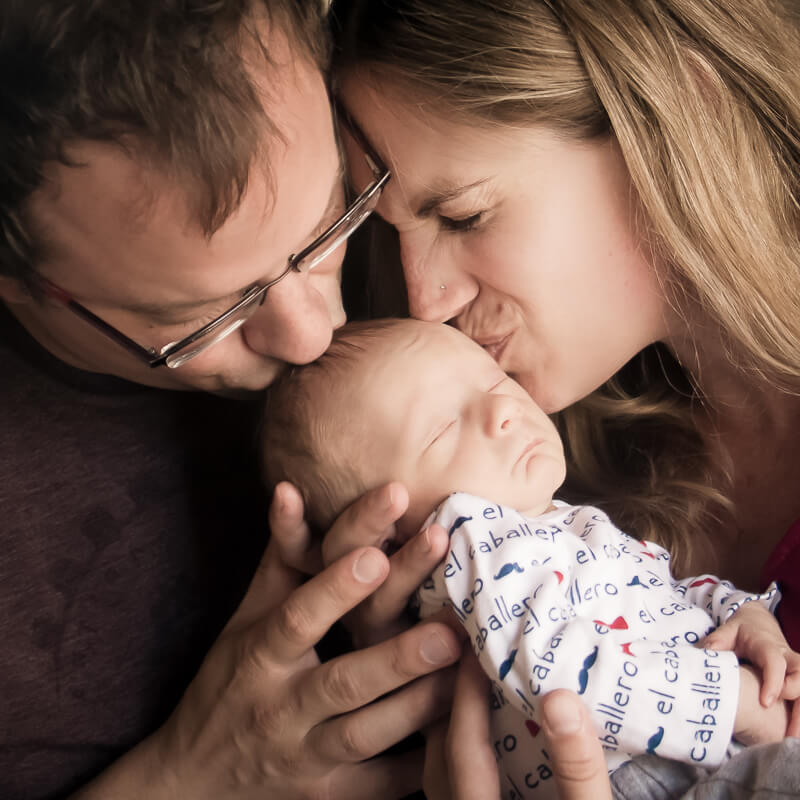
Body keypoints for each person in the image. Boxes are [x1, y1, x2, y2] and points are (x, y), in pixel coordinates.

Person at [315, 0, 800, 795]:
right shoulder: (532, 486)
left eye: (464, 214)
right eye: (392, 236)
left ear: (675, 111)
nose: (424, 299)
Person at [0, 3, 468, 798]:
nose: (314, 334)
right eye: (202, 319)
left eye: (329, 221)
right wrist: (184, 779)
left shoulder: (413, 174)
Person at [262, 316, 800, 798]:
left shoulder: (555, 524)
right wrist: (741, 706)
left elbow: (661, 589)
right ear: (388, 532)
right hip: (640, 770)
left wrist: (743, 614)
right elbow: (556, 669)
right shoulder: (478, 546)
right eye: (443, 430)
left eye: (493, 379)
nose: (502, 409)